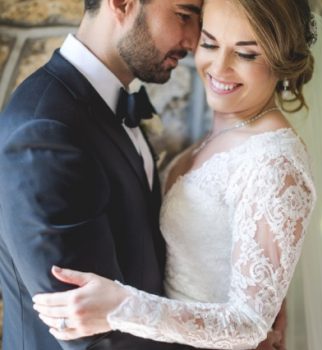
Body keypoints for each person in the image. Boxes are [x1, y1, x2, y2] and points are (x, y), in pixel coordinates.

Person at [32, 0, 317, 349]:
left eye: (246, 54)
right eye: (210, 44)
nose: (219, 67)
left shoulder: (274, 162)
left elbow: (251, 323)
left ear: (281, 60)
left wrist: (121, 307)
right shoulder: (227, 133)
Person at [0, 0, 203, 349]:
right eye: (184, 15)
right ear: (122, 4)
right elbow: (89, 335)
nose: (193, 39)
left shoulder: (104, 104)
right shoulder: (44, 130)